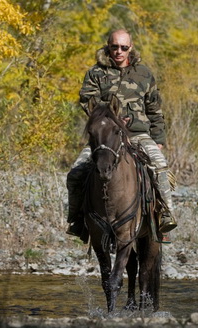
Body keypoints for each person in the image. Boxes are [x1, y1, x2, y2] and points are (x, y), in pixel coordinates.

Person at [66, 29, 177, 242]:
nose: (119, 51)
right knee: (75, 173)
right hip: (105, 137)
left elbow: (154, 108)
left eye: (124, 47)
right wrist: (111, 120)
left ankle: (164, 216)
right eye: (115, 46)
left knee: (160, 168)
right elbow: (87, 102)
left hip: (138, 134)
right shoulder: (95, 73)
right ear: (108, 46)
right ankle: (77, 219)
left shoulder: (144, 74)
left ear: (130, 48)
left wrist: (159, 139)